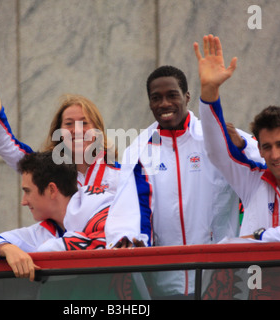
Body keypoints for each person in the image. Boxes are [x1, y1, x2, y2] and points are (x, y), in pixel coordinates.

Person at [104, 64, 263, 298]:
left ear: (187, 97)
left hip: (220, 279)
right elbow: (128, 208)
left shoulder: (217, 138)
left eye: (172, 95)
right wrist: (129, 239)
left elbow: (264, 165)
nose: (164, 104)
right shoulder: (138, 151)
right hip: (164, 282)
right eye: (156, 98)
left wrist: (241, 146)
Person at [194, 34, 280, 242]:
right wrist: (209, 91)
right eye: (267, 147)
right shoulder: (253, 180)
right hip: (254, 277)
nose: (274, 155)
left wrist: (260, 237)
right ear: (258, 148)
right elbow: (217, 151)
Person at [0, 66, 120, 193]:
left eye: (84, 123)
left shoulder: (121, 174)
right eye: (68, 124)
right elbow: (5, 146)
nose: (76, 130)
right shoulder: (48, 170)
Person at [0, 151, 115, 281]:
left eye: (28, 191)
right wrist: (7, 249)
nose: (23, 201)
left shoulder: (102, 206)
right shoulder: (42, 231)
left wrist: (40, 254)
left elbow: (100, 250)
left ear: (51, 190)